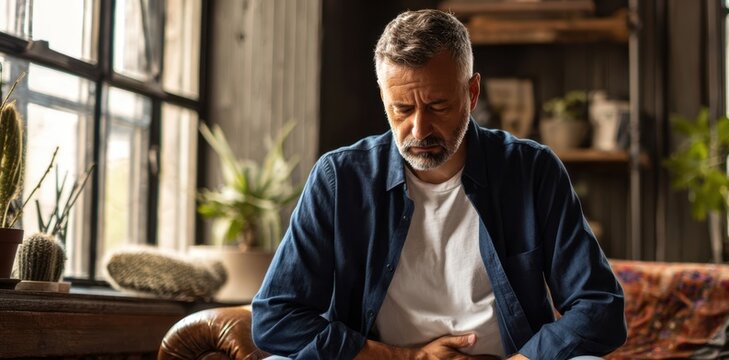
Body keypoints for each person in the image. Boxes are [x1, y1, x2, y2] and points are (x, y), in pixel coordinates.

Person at [252, 9, 627, 360]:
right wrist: (404, 357)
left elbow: (601, 307)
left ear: (472, 93)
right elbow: (274, 317)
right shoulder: (339, 179)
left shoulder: (532, 170)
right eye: (402, 109)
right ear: (383, 97)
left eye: (438, 106)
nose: (418, 129)